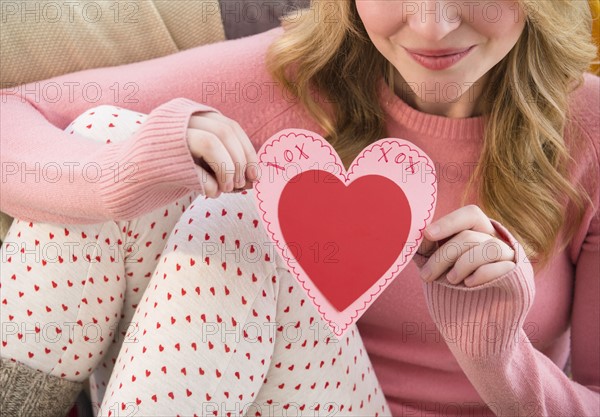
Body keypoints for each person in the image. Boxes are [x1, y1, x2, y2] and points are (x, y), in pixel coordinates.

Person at [1, 0, 598, 416]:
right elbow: (15, 113)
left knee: (237, 221)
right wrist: (126, 174)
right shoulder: (298, 71)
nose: (434, 24)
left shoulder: (588, 129)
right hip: (242, 393)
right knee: (113, 136)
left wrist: (499, 357)